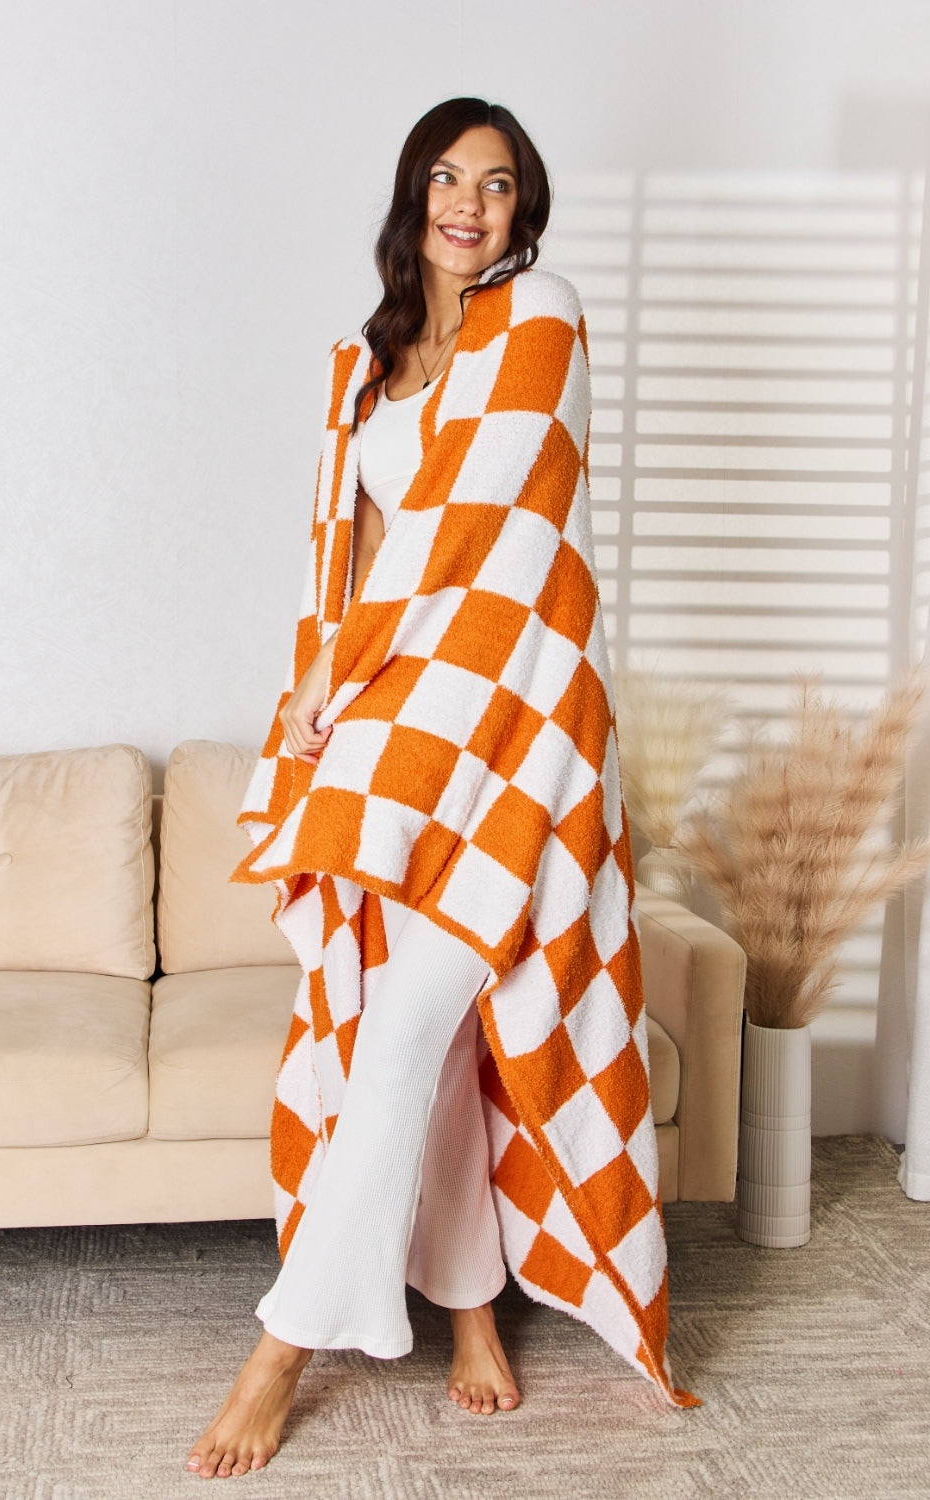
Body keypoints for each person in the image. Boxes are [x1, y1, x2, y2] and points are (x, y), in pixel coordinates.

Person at [187, 97, 694, 1482]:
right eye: (446, 177)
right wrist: (311, 690)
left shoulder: (544, 320)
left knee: (415, 1017)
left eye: (499, 182)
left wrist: (384, 673)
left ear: (524, 210)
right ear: (411, 195)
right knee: (420, 1031)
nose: (470, 202)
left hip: (515, 729)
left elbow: (497, 552)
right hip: (392, 736)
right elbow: (349, 562)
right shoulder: (360, 364)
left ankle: (283, 1348)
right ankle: (473, 1311)